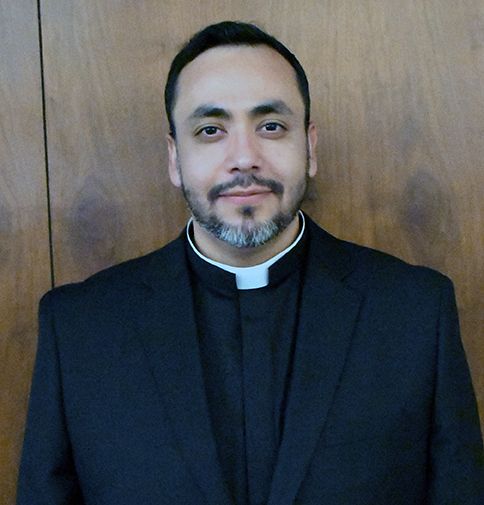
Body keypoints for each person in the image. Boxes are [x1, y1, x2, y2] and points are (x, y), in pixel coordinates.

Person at [17, 21, 483, 505]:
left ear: (310, 147)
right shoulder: (80, 329)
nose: (244, 158)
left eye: (271, 126)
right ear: (175, 158)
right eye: (211, 130)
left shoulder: (414, 312)